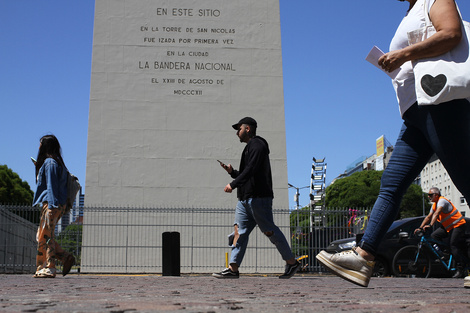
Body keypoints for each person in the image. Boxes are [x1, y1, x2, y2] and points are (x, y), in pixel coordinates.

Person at [316, 0, 470, 287]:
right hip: (415, 113)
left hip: (440, 104)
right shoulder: (411, 11)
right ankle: (364, 256)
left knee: (465, 177)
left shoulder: (434, 0)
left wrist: (403, 54)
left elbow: (451, 34)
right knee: (391, 184)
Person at [212, 117, 301, 279]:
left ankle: (291, 262)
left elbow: (251, 170)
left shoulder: (258, 145)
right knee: (239, 233)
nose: (236, 133)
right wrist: (233, 172)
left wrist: (233, 183)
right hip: (245, 199)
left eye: (238, 129)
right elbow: (248, 175)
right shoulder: (249, 148)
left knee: (269, 231)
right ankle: (233, 269)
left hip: (259, 198)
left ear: (247, 129)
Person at [32, 134, 75, 278]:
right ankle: (65, 257)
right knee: (41, 236)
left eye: (40, 144)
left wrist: (51, 205)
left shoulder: (50, 163)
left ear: (45, 146)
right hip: (58, 204)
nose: (38, 147)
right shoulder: (58, 162)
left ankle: (49, 267)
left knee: (47, 237)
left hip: (51, 204)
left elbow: (51, 185)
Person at [414, 187, 467, 278]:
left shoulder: (442, 201)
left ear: (436, 195)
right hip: (448, 227)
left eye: (430, 195)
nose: (428, 197)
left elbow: (437, 213)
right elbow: (428, 217)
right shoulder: (434, 205)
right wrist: (420, 227)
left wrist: (430, 225)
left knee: (453, 244)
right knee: (434, 236)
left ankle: (461, 269)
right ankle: (445, 253)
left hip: (458, 225)